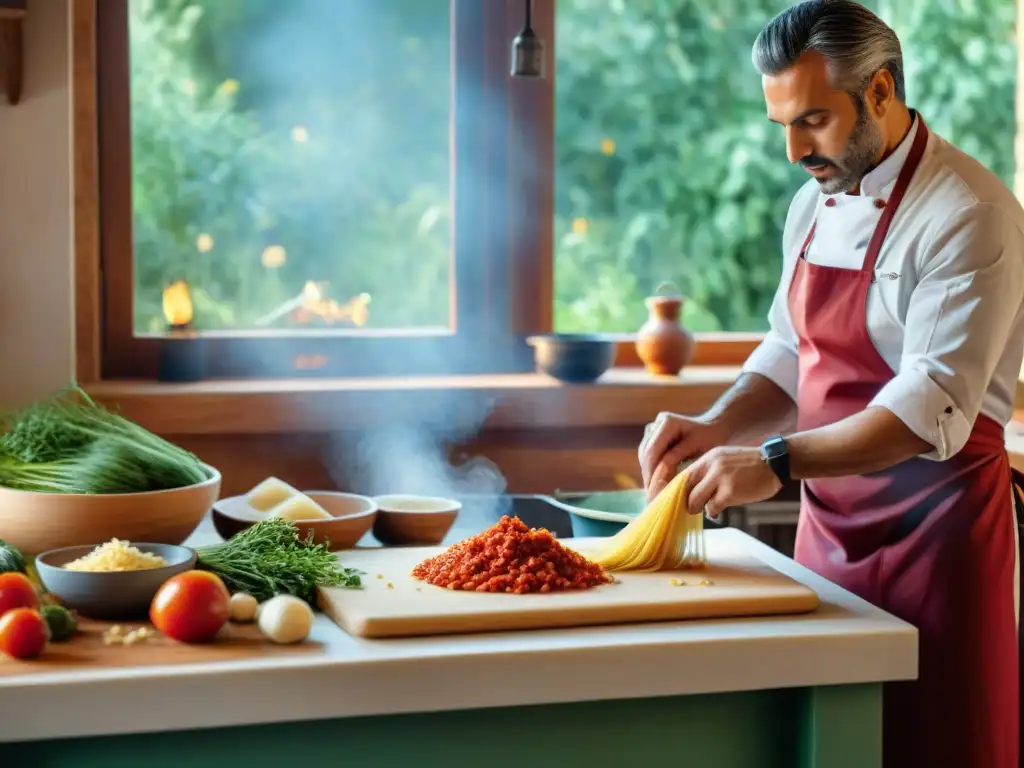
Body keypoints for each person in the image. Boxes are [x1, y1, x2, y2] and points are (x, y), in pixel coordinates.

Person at [638, 1, 1024, 766]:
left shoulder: (968, 212)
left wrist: (774, 462)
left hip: (939, 545)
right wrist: (715, 425)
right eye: (781, 122)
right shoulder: (811, 204)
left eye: (812, 120)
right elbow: (790, 351)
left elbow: (928, 408)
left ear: (880, 91)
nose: (792, 150)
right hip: (828, 537)